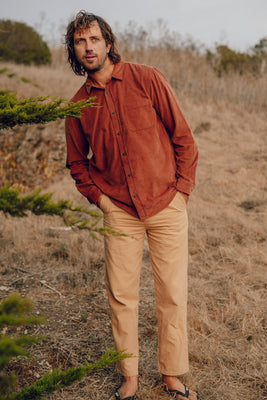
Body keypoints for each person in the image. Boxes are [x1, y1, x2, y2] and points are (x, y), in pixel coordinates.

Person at [65, 11, 199, 400]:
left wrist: (182, 192)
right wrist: (104, 202)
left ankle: (172, 375)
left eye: (93, 39)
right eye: (79, 42)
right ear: (73, 50)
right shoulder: (77, 105)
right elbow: (77, 163)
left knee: (172, 293)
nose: (88, 47)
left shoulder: (147, 78)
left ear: (108, 42)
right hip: (119, 211)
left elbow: (183, 137)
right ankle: (130, 377)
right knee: (122, 295)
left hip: (166, 204)